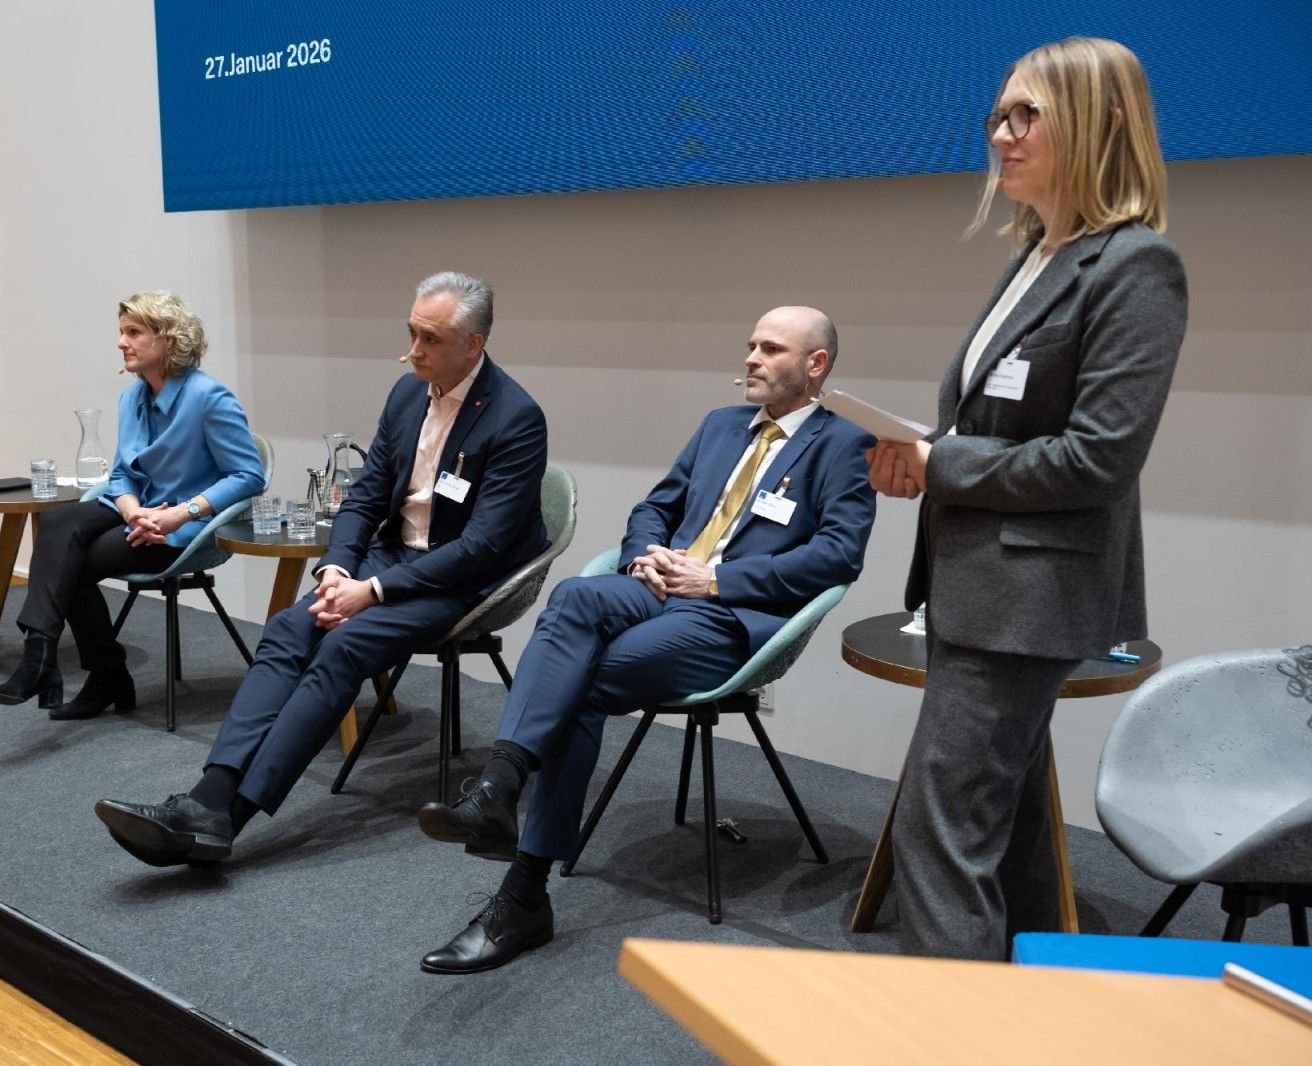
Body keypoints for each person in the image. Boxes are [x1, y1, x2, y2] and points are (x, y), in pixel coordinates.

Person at [416, 305, 877, 973]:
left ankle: (521, 891)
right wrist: (642, 558)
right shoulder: (719, 425)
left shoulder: (845, 444)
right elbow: (656, 507)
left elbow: (837, 555)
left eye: (771, 349)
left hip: (730, 615)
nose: (751, 357)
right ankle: (499, 790)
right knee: (574, 597)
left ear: (816, 364)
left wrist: (716, 579)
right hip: (661, 585)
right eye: (750, 344)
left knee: (580, 685)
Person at [864, 37, 1186, 960]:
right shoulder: (1038, 256)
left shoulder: (1136, 266)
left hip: (1027, 601)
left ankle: (944, 1027)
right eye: (997, 116)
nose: (1001, 134)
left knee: (940, 835)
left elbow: (1097, 459)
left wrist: (942, 463)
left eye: (1026, 115)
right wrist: (920, 458)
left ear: (1103, 121)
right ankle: (1035, 1000)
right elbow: (991, 426)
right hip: (976, 584)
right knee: (1007, 831)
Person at [94, 271, 549, 865]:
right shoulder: (407, 394)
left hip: (461, 579)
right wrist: (335, 570)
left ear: (473, 345)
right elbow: (365, 498)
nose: (412, 350)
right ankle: (209, 795)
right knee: (289, 627)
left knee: (343, 646)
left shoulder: (515, 417)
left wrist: (372, 590)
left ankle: (227, 818)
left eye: (430, 339)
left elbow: (482, 547)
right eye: (411, 333)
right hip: (392, 557)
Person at [0, 291, 263, 718]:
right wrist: (132, 510)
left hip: (184, 528)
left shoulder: (209, 397)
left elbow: (248, 475)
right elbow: (121, 474)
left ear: (167, 338)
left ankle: (96, 673)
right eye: (121, 332)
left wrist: (179, 514)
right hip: (136, 511)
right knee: (57, 520)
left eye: (133, 332)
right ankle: (41, 656)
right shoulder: (131, 398)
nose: (121, 342)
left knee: (71, 562)